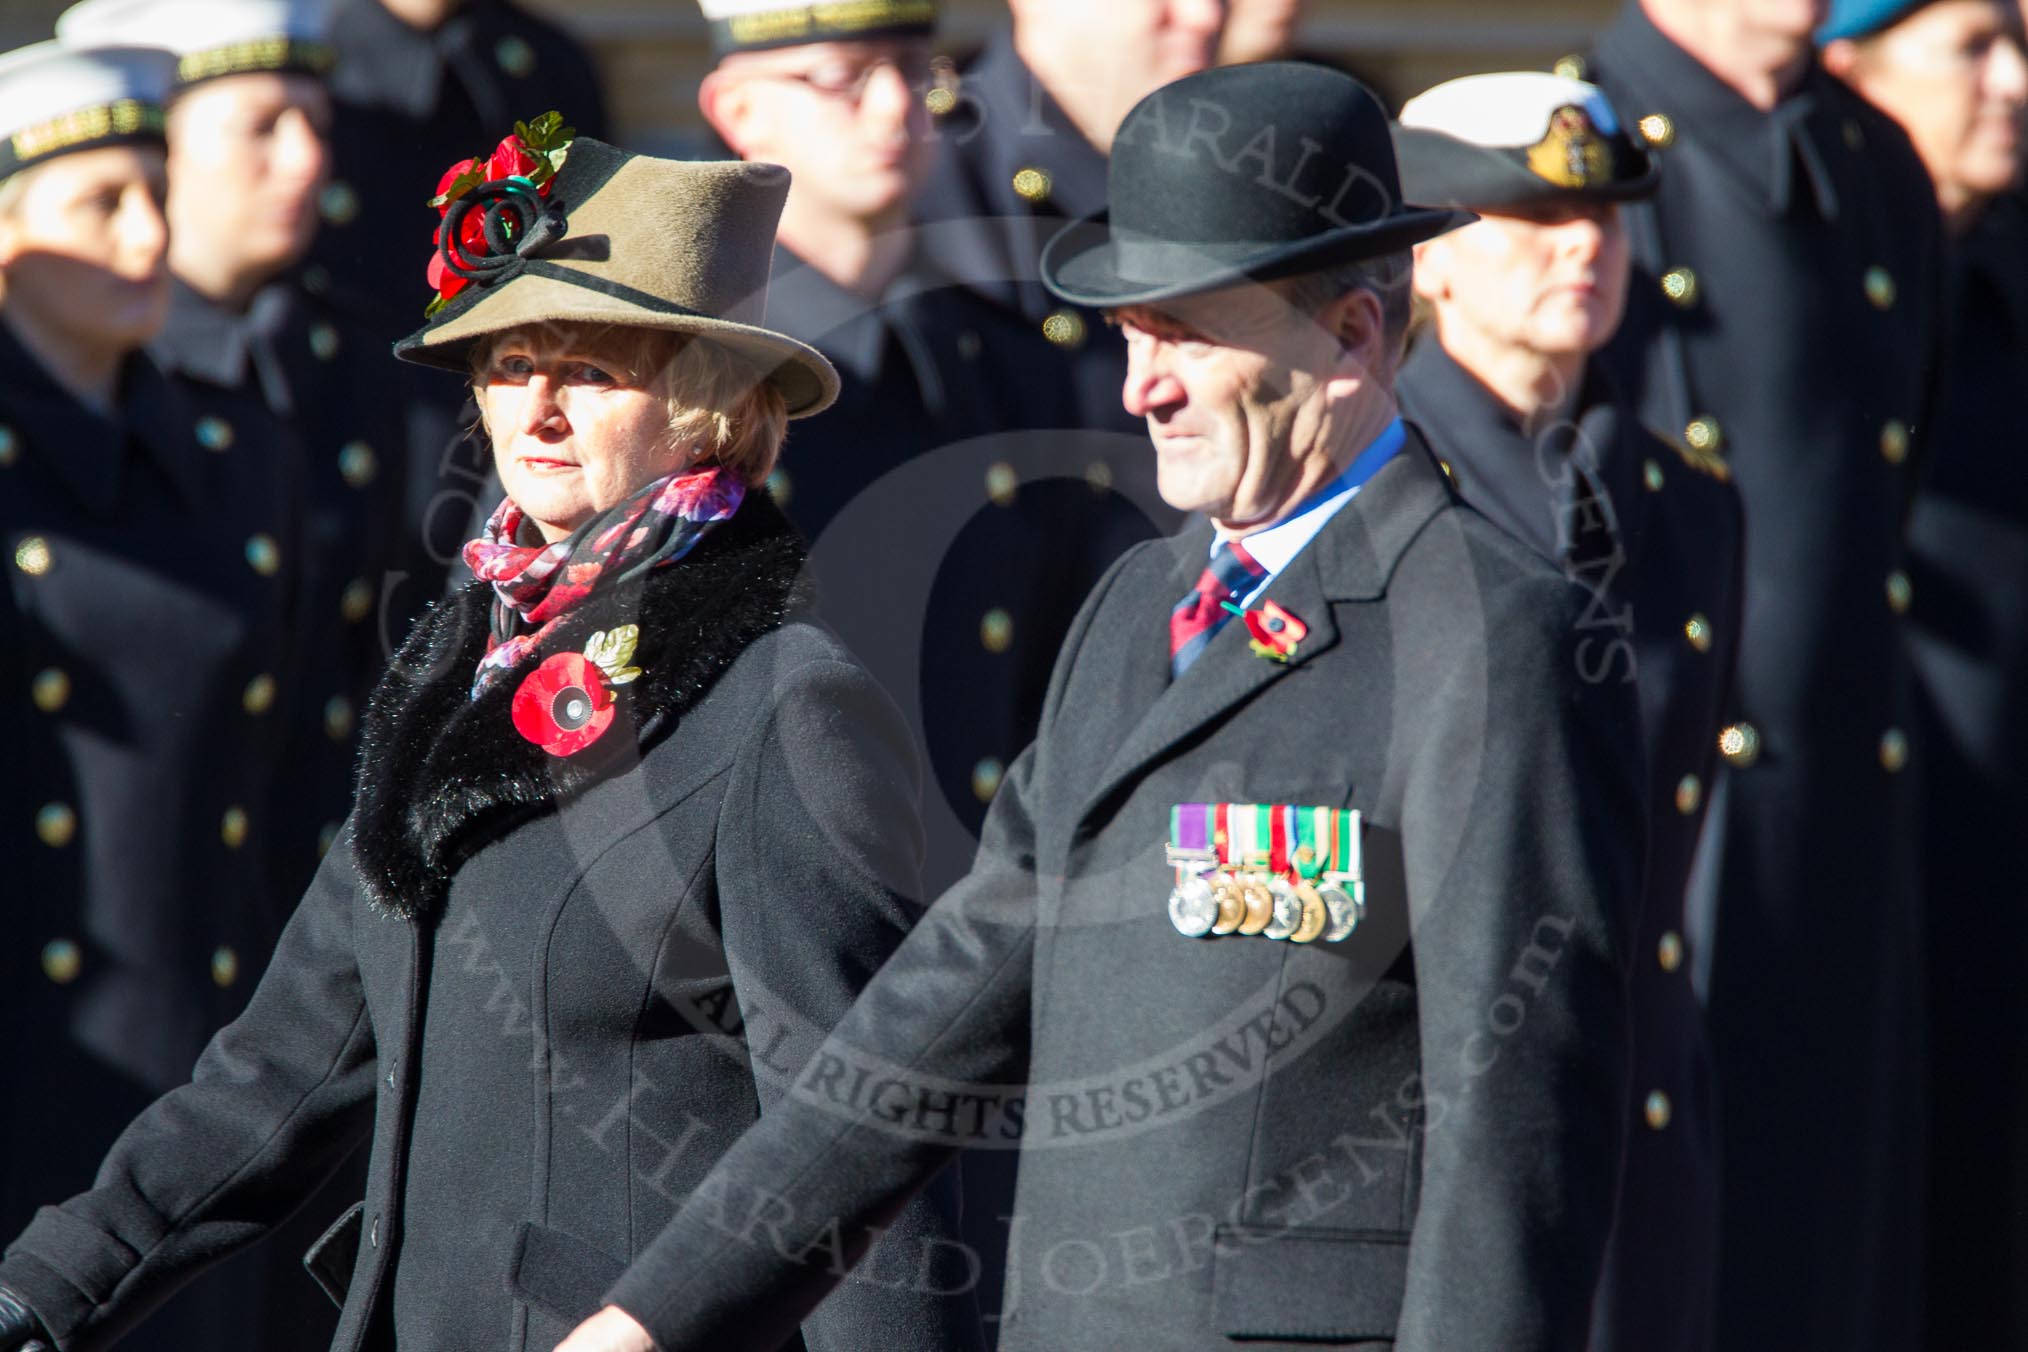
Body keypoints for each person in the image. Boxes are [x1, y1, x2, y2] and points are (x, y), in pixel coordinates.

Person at [496, 62, 1645, 1352]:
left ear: (1354, 337)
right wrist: (655, 1315)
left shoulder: (1492, 633)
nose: (1139, 388)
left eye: (1192, 334)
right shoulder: (1134, 608)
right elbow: (935, 1013)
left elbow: (1520, 1122)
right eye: (1133, 335)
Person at [0, 125, 984, 1352]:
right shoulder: (461, 663)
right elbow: (288, 1059)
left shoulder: (787, 705)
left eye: (594, 367)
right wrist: (42, 1289)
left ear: (708, 400)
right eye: (511, 362)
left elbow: (862, 1168)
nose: (542, 410)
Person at [1577, 1, 1942, 1346]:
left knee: (1837, 1235)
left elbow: (1887, 459)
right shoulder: (1581, 136)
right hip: (1677, 791)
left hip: (1847, 779)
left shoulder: (1871, 157)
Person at [1392, 71, 1745, 1352]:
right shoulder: (1365, 490)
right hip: (1428, 1133)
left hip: (1642, 1116)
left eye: (1604, 218)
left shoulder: (1688, 502)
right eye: (1531, 219)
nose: (1585, 248)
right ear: (1430, 255)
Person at [0, 36, 312, 1352]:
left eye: (155, 192)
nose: (147, 234)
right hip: (34, 1045)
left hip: (209, 1046)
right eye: (98, 202)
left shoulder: (229, 438)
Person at [58, 0, 413, 905]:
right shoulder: (95, 372)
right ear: (163, 150)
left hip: (330, 884)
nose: (306, 159)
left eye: (316, 124)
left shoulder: (365, 365)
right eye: (262, 126)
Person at [1819, 1, 2028, 1344]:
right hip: (1830, 857)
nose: (2013, 81)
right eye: (1970, 45)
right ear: (1851, 64)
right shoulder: (1797, 268)